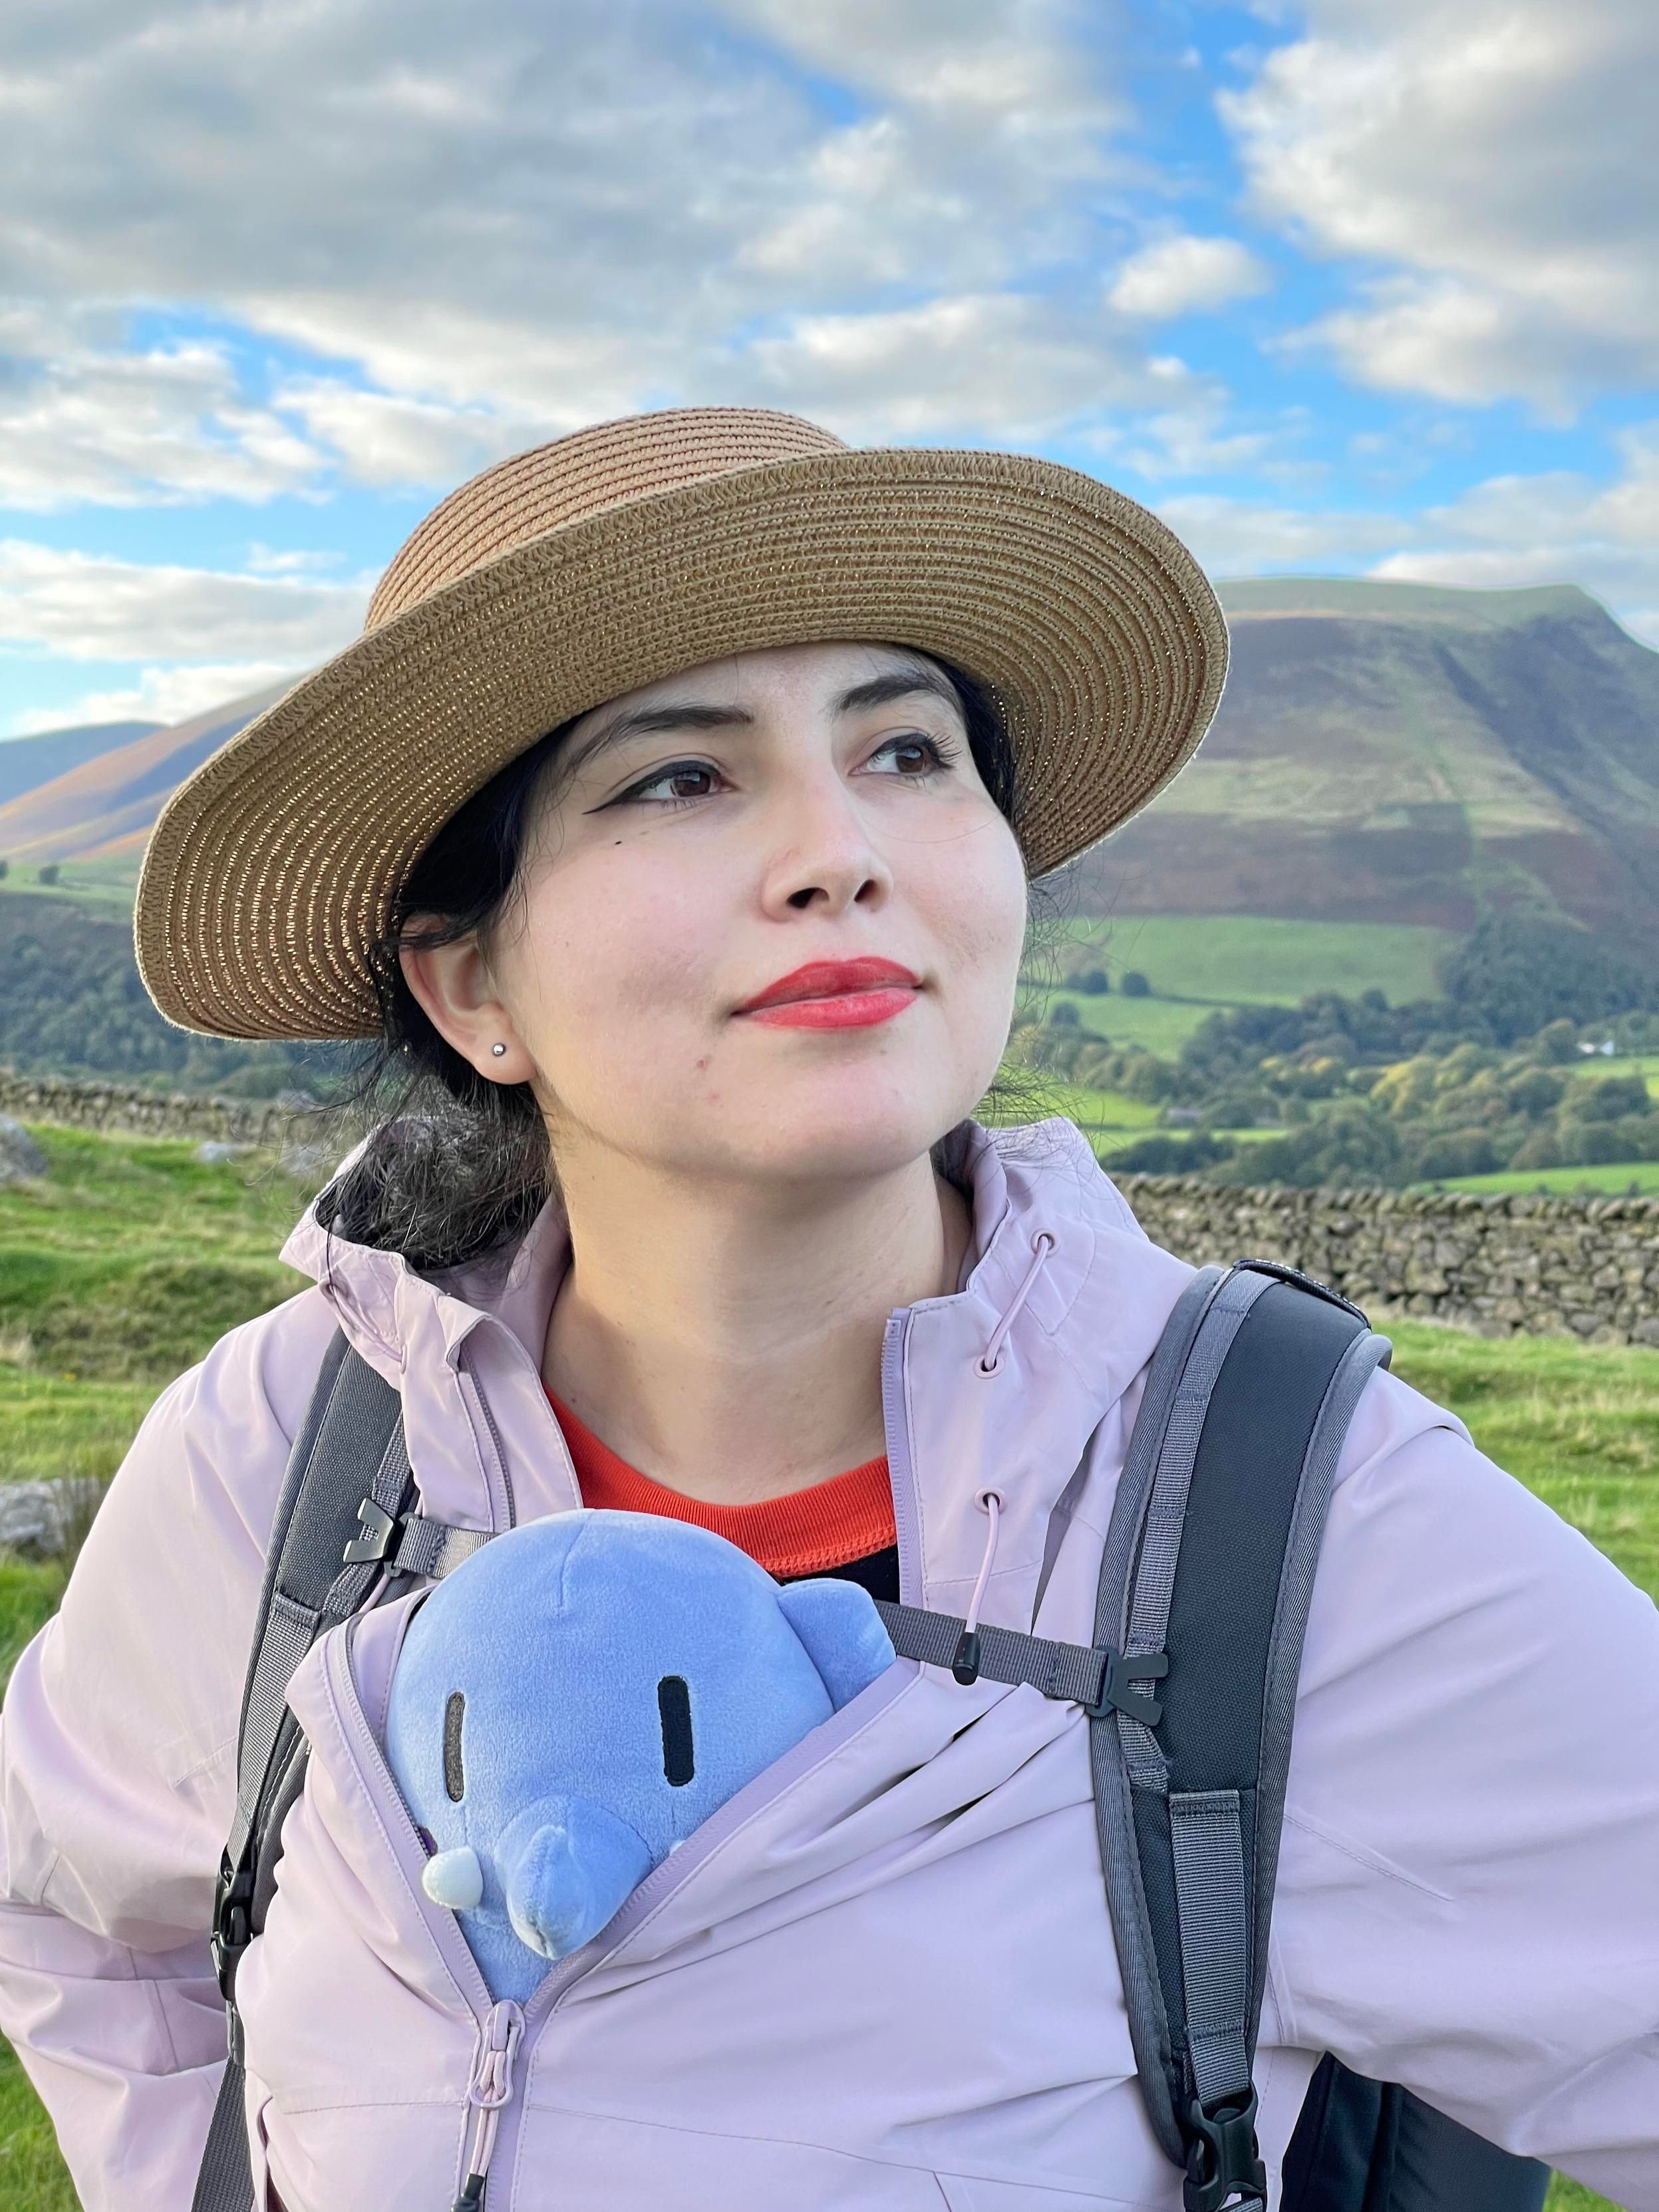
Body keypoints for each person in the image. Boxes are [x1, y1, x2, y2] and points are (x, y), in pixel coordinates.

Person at [0, 407, 1653, 2212]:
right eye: (680, 776)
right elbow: (79, 1915)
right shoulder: (290, 1452)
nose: (839, 847)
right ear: (475, 987)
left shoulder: (1284, 1521)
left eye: (908, 748)